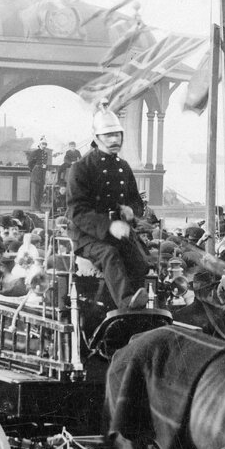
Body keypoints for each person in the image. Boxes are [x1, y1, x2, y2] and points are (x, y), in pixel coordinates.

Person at [66, 107, 151, 311]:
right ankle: (126, 304)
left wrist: (131, 210)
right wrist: (109, 226)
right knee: (110, 254)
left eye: (117, 134)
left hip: (119, 232)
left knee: (141, 262)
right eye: (108, 135)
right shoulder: (81, 168)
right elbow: (77, 211)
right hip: (87, 236)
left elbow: (136, 201)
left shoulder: (124, 167)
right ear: (96, 138)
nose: (115, 140)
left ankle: (139, 303)